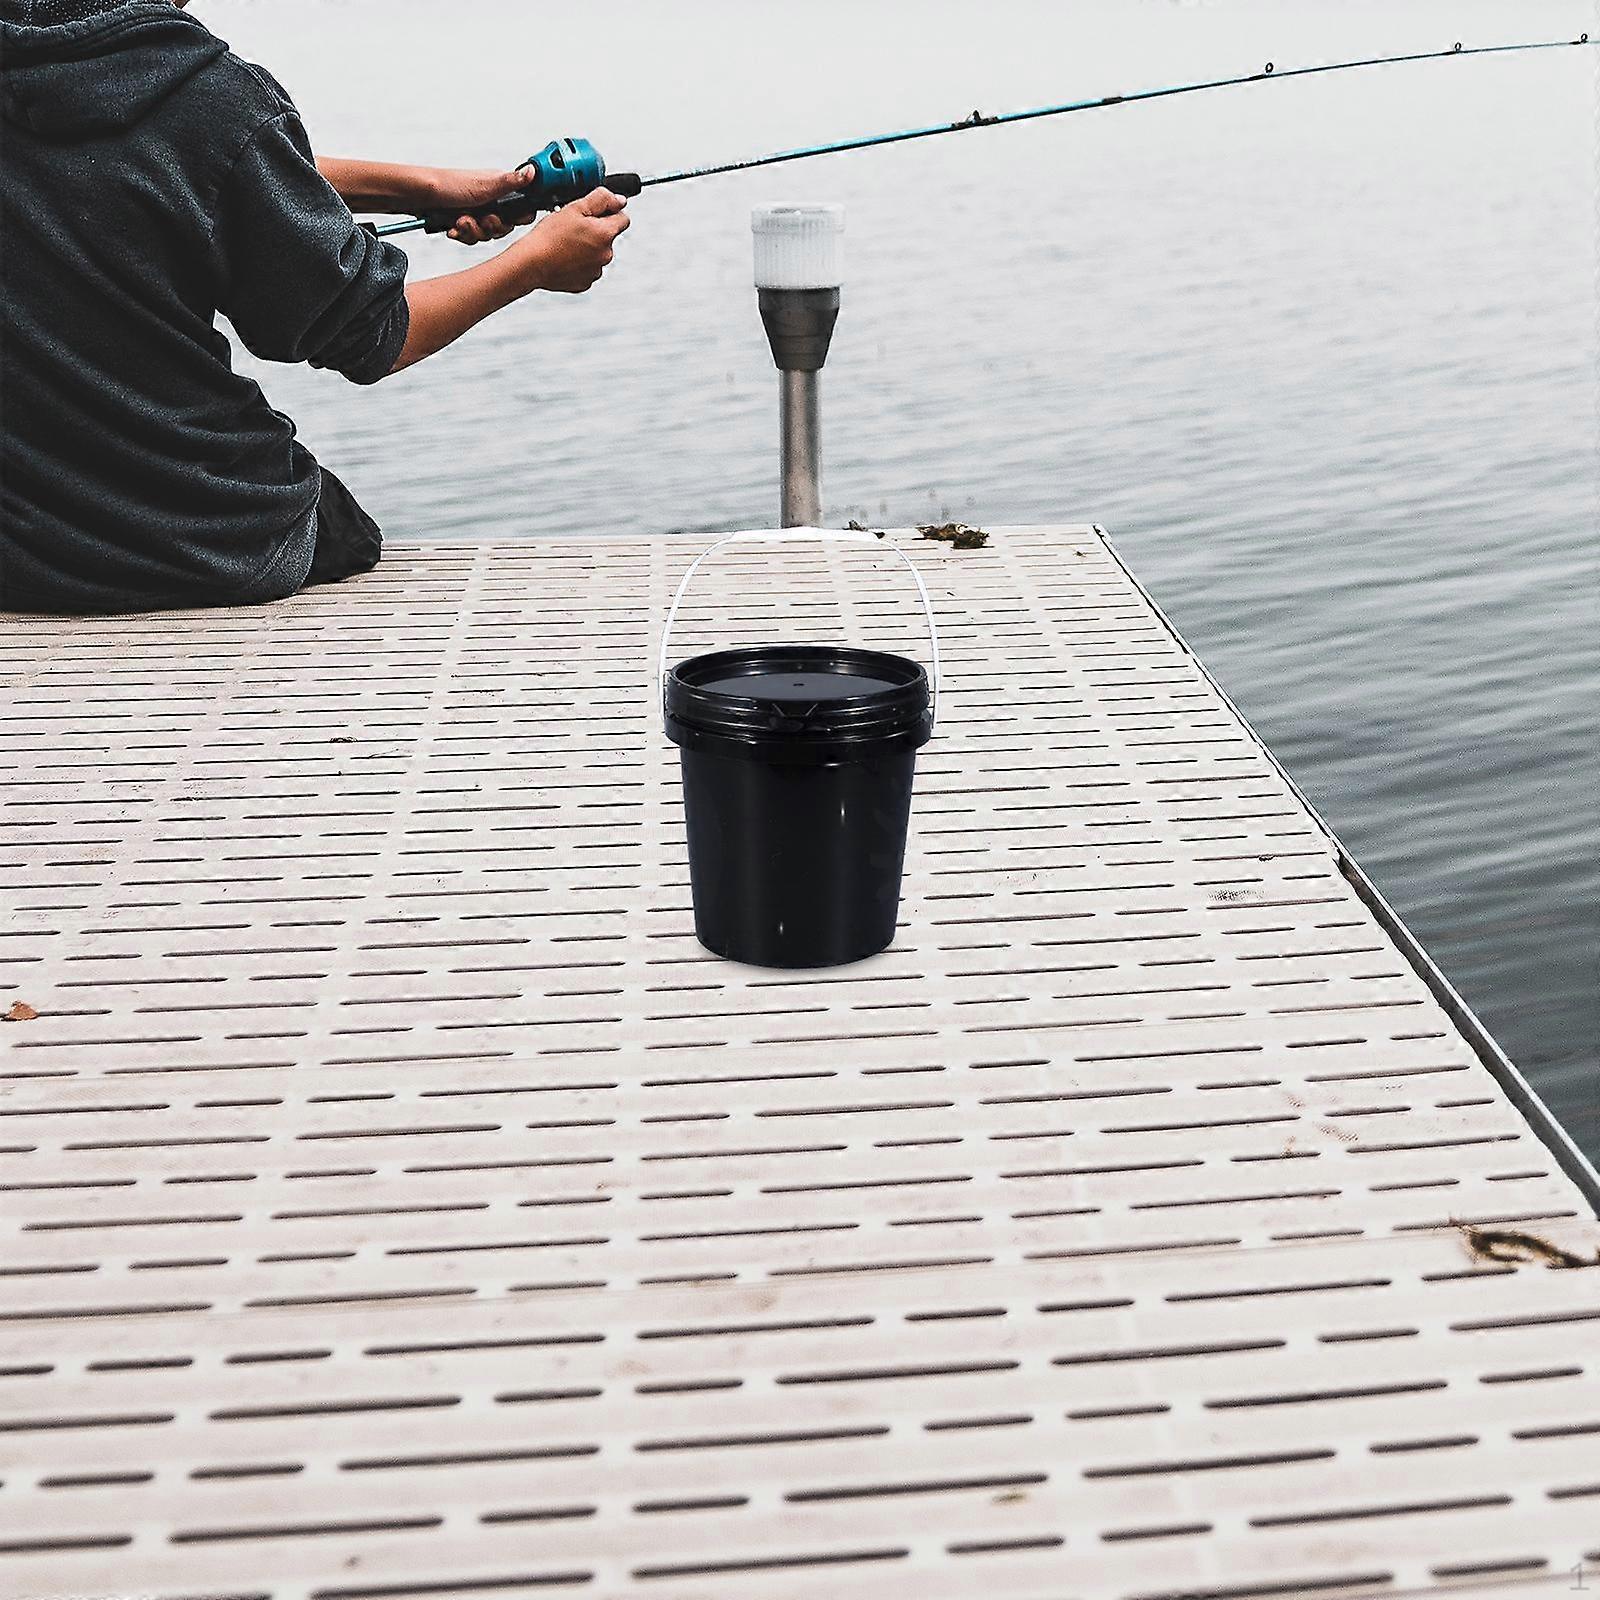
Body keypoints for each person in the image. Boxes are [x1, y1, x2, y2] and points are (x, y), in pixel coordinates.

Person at [0, 0, 630, 613]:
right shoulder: (208, 97)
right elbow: (373, 336)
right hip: (210, 539)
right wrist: (534, 263)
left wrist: (427, 188)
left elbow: (184, 157)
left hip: (22, 556)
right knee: (347, 531)